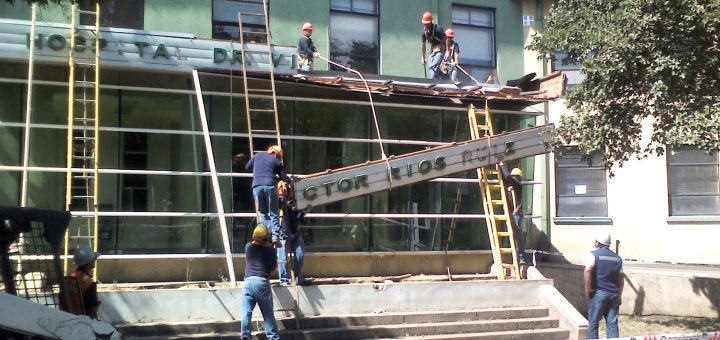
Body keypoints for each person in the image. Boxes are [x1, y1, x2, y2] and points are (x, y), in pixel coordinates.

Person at [245, 145, 292, 245]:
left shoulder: (257, 156)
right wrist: (291, 181)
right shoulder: (276, 161)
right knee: (273, 212)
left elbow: (247, 167)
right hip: (269, 186)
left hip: (257, 186)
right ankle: (275, 236)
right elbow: (283, 176)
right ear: (277, 154)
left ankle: (265, 234)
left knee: (262, 212)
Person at [241, 224, 280, 340]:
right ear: (265, 238)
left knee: (246, 312)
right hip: (261, 282)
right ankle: (273, 337)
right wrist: (272, 245)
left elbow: (257, 244)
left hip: (247, 282)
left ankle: (245, 335)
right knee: (267, 314)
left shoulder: (248, 247)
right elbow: (273, 268)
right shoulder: (270, 251)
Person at [584, 232, 624, 339]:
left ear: (597, 242)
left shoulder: (593, 255)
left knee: (593, 322)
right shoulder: (617, 258)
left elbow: (588, 270)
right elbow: (621, 278)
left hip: (599, 293)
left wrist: (588, 288)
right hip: (614, 294)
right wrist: (619, 295)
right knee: (612, 324)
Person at [276, 180, 309, 286]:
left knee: (299, 254)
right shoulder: (281, 201)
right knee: (282, 258)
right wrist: (284, 194)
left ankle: (298, 277)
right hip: (283, 234)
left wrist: (305, 212)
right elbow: (281, 203)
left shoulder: (296, 203)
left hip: (295, 234)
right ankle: (284, 281)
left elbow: (299, 218)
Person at [499, 161, 526, 264]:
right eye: (513, 176)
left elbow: (507, 176)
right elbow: (505, 178)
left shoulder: (518, 185)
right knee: (512, 235)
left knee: (517, 235)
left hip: (516, 214)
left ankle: (522, 258)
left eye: (516, 176)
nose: (514, 178)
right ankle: (514, 257)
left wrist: (503, 166)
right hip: (511, 213)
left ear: (519, 178)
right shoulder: (510, 185)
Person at [66, 245, 101, 319]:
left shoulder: (69, 278)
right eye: (94, 259)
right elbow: (91, 311)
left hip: (66, 319)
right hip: (81, 322)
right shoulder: (89, 283)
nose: (95, 261)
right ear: (89, 263)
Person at [420, 11, 449, 80]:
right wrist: (423, 57)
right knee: (431, 64)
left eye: (427, 24)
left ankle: (432, 80)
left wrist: (447, 51)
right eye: (425, 24)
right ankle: (444, 79)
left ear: (430, 22)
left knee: (434, 65)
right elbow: (423, 45)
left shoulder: (437, 29)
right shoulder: (424, 33)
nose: (426, 25)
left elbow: (446, 38)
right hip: (434, 50)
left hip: (441, 49)